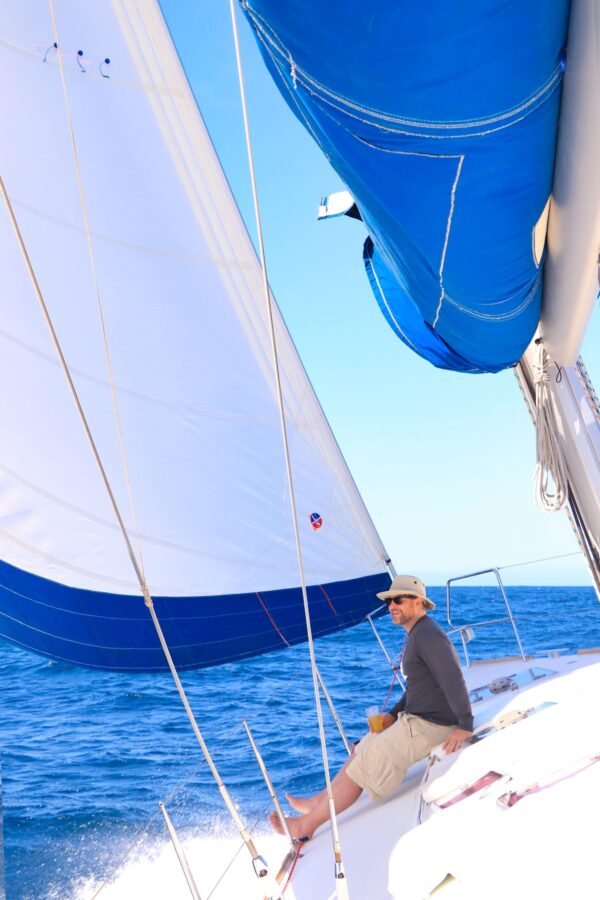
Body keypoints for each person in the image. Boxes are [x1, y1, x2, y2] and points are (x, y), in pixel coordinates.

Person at [270, 574, 473, 840]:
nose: (392, 605)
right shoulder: (417, 634)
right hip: (416, 719)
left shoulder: (428, 636)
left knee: (368, 760)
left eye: (399, 599)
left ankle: (305, 826)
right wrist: (392, 715)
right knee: (362, 747)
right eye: (390, 600)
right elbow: (418, 688)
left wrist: (464, 726)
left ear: (418, 602)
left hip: (433, 725)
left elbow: (452, 677)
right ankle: (319, 801)